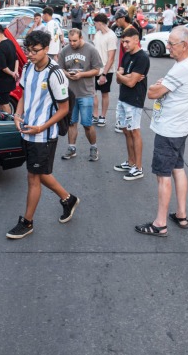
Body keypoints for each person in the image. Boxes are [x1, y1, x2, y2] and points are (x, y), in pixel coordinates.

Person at [7, 29, 79, 239]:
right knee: (38, 172)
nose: (30, 54)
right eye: (28, 50)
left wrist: (41, 127)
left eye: (35, 51)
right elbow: (23, 95)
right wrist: (17, 115)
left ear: (47, 49)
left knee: (33, 176)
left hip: (43, 135)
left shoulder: (56, 74)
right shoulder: (28, 67)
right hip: (27, 130)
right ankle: (68, 198)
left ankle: (27, 222)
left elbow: (64, 109)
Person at [135, 26, 188, 237]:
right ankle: (181, 214)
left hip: (170, 130)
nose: (168, 47)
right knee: (177, 169)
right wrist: (160, 86)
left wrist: (158, 86)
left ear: (185, 45)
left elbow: (152, 93)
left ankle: (160, 223)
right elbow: (158, 89)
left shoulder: (182, 68)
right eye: (169, 42)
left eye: (172, 44)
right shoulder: (187, 64)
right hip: (179, 128)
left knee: (163, 176)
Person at [58, 28, 102, 161]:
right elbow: (61, 68)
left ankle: (94, 148)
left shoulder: (91, 50)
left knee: (87, 124)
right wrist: (67, 74)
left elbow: (97, 70)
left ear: (81, 38)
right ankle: (72, 148)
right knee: (72, 122)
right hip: (71, 94)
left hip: (86, 93)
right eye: (70, 40)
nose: (72, 43)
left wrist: (81, 74)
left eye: (75, 41)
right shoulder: (65, 50)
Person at [114, 27, 150, 181]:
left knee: (134, 131)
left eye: (127, 42)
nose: (125, 45)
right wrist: (125, 76)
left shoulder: (142, 58)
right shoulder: (126, 56)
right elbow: (118, 79)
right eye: (123, 42)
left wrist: (124, 76)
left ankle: (139, 167)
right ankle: (130, 162)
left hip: (134, 100)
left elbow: (130, 83)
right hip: (123, 98)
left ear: (137, 40)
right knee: (126, 131)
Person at [92, 13, 118, 128]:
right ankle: (95, 115)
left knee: (104, 93)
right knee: (93, 92)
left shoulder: (111, 36)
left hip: (106, 70)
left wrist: (104, 74)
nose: (94, 25)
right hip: (95, 69)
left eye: (95, 23)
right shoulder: (97, 34)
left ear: (100, 23)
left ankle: (103, 116)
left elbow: (111, 58)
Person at [0, 23, 19, 113]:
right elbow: (16, 59)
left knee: (4, 104)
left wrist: (12, 73)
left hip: (3, 81)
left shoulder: (0, 47)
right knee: (3, 101)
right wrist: (15, 71)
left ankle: (7, 122)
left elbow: (3, 67)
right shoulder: (10, 42)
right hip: (9, 80)